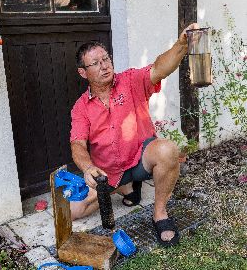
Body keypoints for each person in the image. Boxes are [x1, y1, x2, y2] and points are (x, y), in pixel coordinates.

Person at [69, 23, 199, 247]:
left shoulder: (130, 80)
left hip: (140, 159)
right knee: (73, 211)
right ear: (83, 72)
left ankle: (160, 213)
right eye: (96, 63)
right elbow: (77, 145)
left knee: (167, 150)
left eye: (106, 59)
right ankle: (125, 187)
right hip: (107, 172)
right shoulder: (81, 107)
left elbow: (160, 68)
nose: (104, 66)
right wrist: (88, 168)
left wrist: (181, 45)